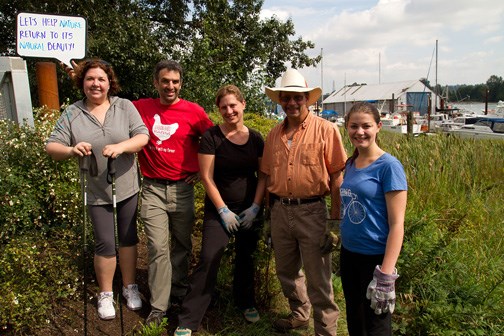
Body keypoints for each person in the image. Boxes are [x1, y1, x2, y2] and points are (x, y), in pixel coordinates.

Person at [46, 59, 149, 320]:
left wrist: (121, 147)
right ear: (82, 82)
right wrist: (71, 149)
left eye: (101, 79)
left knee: (127, 238)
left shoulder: (124, 106)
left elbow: (142, 136)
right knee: (104, 241)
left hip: (125, 185)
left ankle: (129, 287)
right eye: (90, 79)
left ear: (109, 82)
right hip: (95, 189)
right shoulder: (72, 113)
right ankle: (105, 294)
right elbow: (52, 147)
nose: (96, 83)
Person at [260, 68, 347, 336]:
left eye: (298, 98)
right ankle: (299, 315)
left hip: (312, 212)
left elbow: (337, 177)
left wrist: (334, 221)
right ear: (280, 101)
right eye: (286, 98)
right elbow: (266, 176)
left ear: (307, 99)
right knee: (286, 272)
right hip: (279, 211)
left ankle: (325, 331)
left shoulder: (326, 130)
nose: (292, 103)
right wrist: (266, 215)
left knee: (318, 278)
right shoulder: (274, 134)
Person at [173, 85, 265, 336]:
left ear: (243, 104)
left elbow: (263, 176)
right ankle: (189, 319)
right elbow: (206, 176)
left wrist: (256, 207)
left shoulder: (256, 138)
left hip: (249, 208)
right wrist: (223, 209)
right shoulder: (211, 137)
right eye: (223, 107)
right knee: (208, 259)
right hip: (220, 209)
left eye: (233, 105)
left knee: (246, 257)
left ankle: (245, 302)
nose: (229, 111)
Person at [132, 60, 214, 325]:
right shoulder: (140, 107)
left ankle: (178, 290)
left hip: (183, 189)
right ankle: (159, 306)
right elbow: (107, 105)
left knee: (182, 245)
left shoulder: (194, 112)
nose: (170, 86)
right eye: (165, 81)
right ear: (156, 82)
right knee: (157, 247)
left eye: (175, 82)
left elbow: (215, 139)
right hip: (153, 188)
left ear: (181, 84)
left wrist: (202, 172)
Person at [339, 102, 407, 336]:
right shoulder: (351, 163)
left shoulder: (389, 167)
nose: (360, 132)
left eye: (366, 126)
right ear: (347, 128)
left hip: (375, 260)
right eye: (353, 126)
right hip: (349, 255)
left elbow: (397, 224)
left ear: (378, 127)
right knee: (355, 320)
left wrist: (386, 275)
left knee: (376, 326)